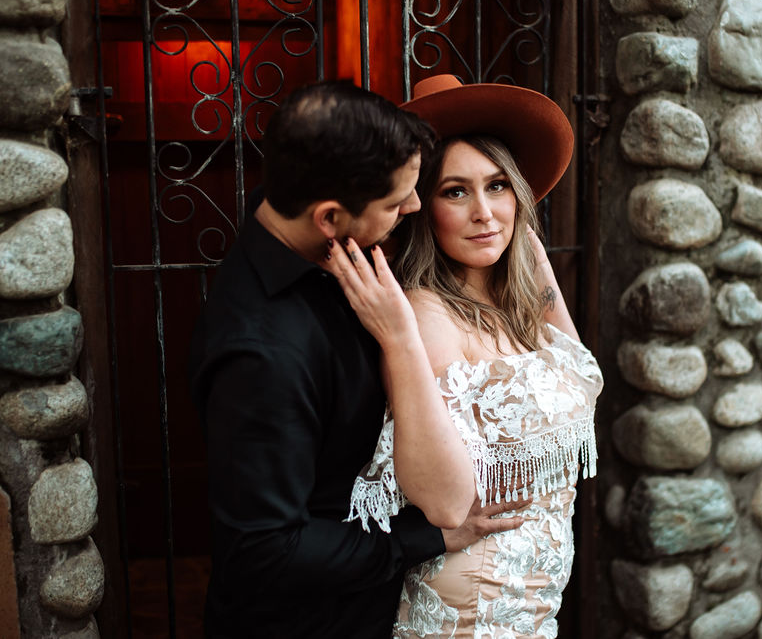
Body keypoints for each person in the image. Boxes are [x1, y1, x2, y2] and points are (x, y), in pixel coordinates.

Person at [188, 80, 528, 639]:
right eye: (397, 203)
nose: (414, 207)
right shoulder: (264, 354)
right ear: (329, 217)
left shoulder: (296, 215)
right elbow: (267, 548)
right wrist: (428, 539)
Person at [327, 74, 603, 638]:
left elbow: (581, 374)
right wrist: (400, 341)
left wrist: (527, 248)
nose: (484, 212)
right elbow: (446, 503)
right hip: (472, 611)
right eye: (456, 192)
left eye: (498, 186)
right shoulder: (427, 316)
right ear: (421, 207)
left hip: (533, 610)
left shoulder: (518, 307)